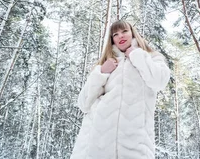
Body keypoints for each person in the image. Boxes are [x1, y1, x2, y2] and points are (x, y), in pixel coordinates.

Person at [70, 19, 171, 159]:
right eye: (115, 34)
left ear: (133, 33)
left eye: (124, 31)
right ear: (112, 39)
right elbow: (83, 104)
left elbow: (159, 81)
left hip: (135, 145)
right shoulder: (105, 63)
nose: (120, 36)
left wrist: (136, 55)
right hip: (96, 144)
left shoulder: (151, 58)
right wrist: (101, 73)